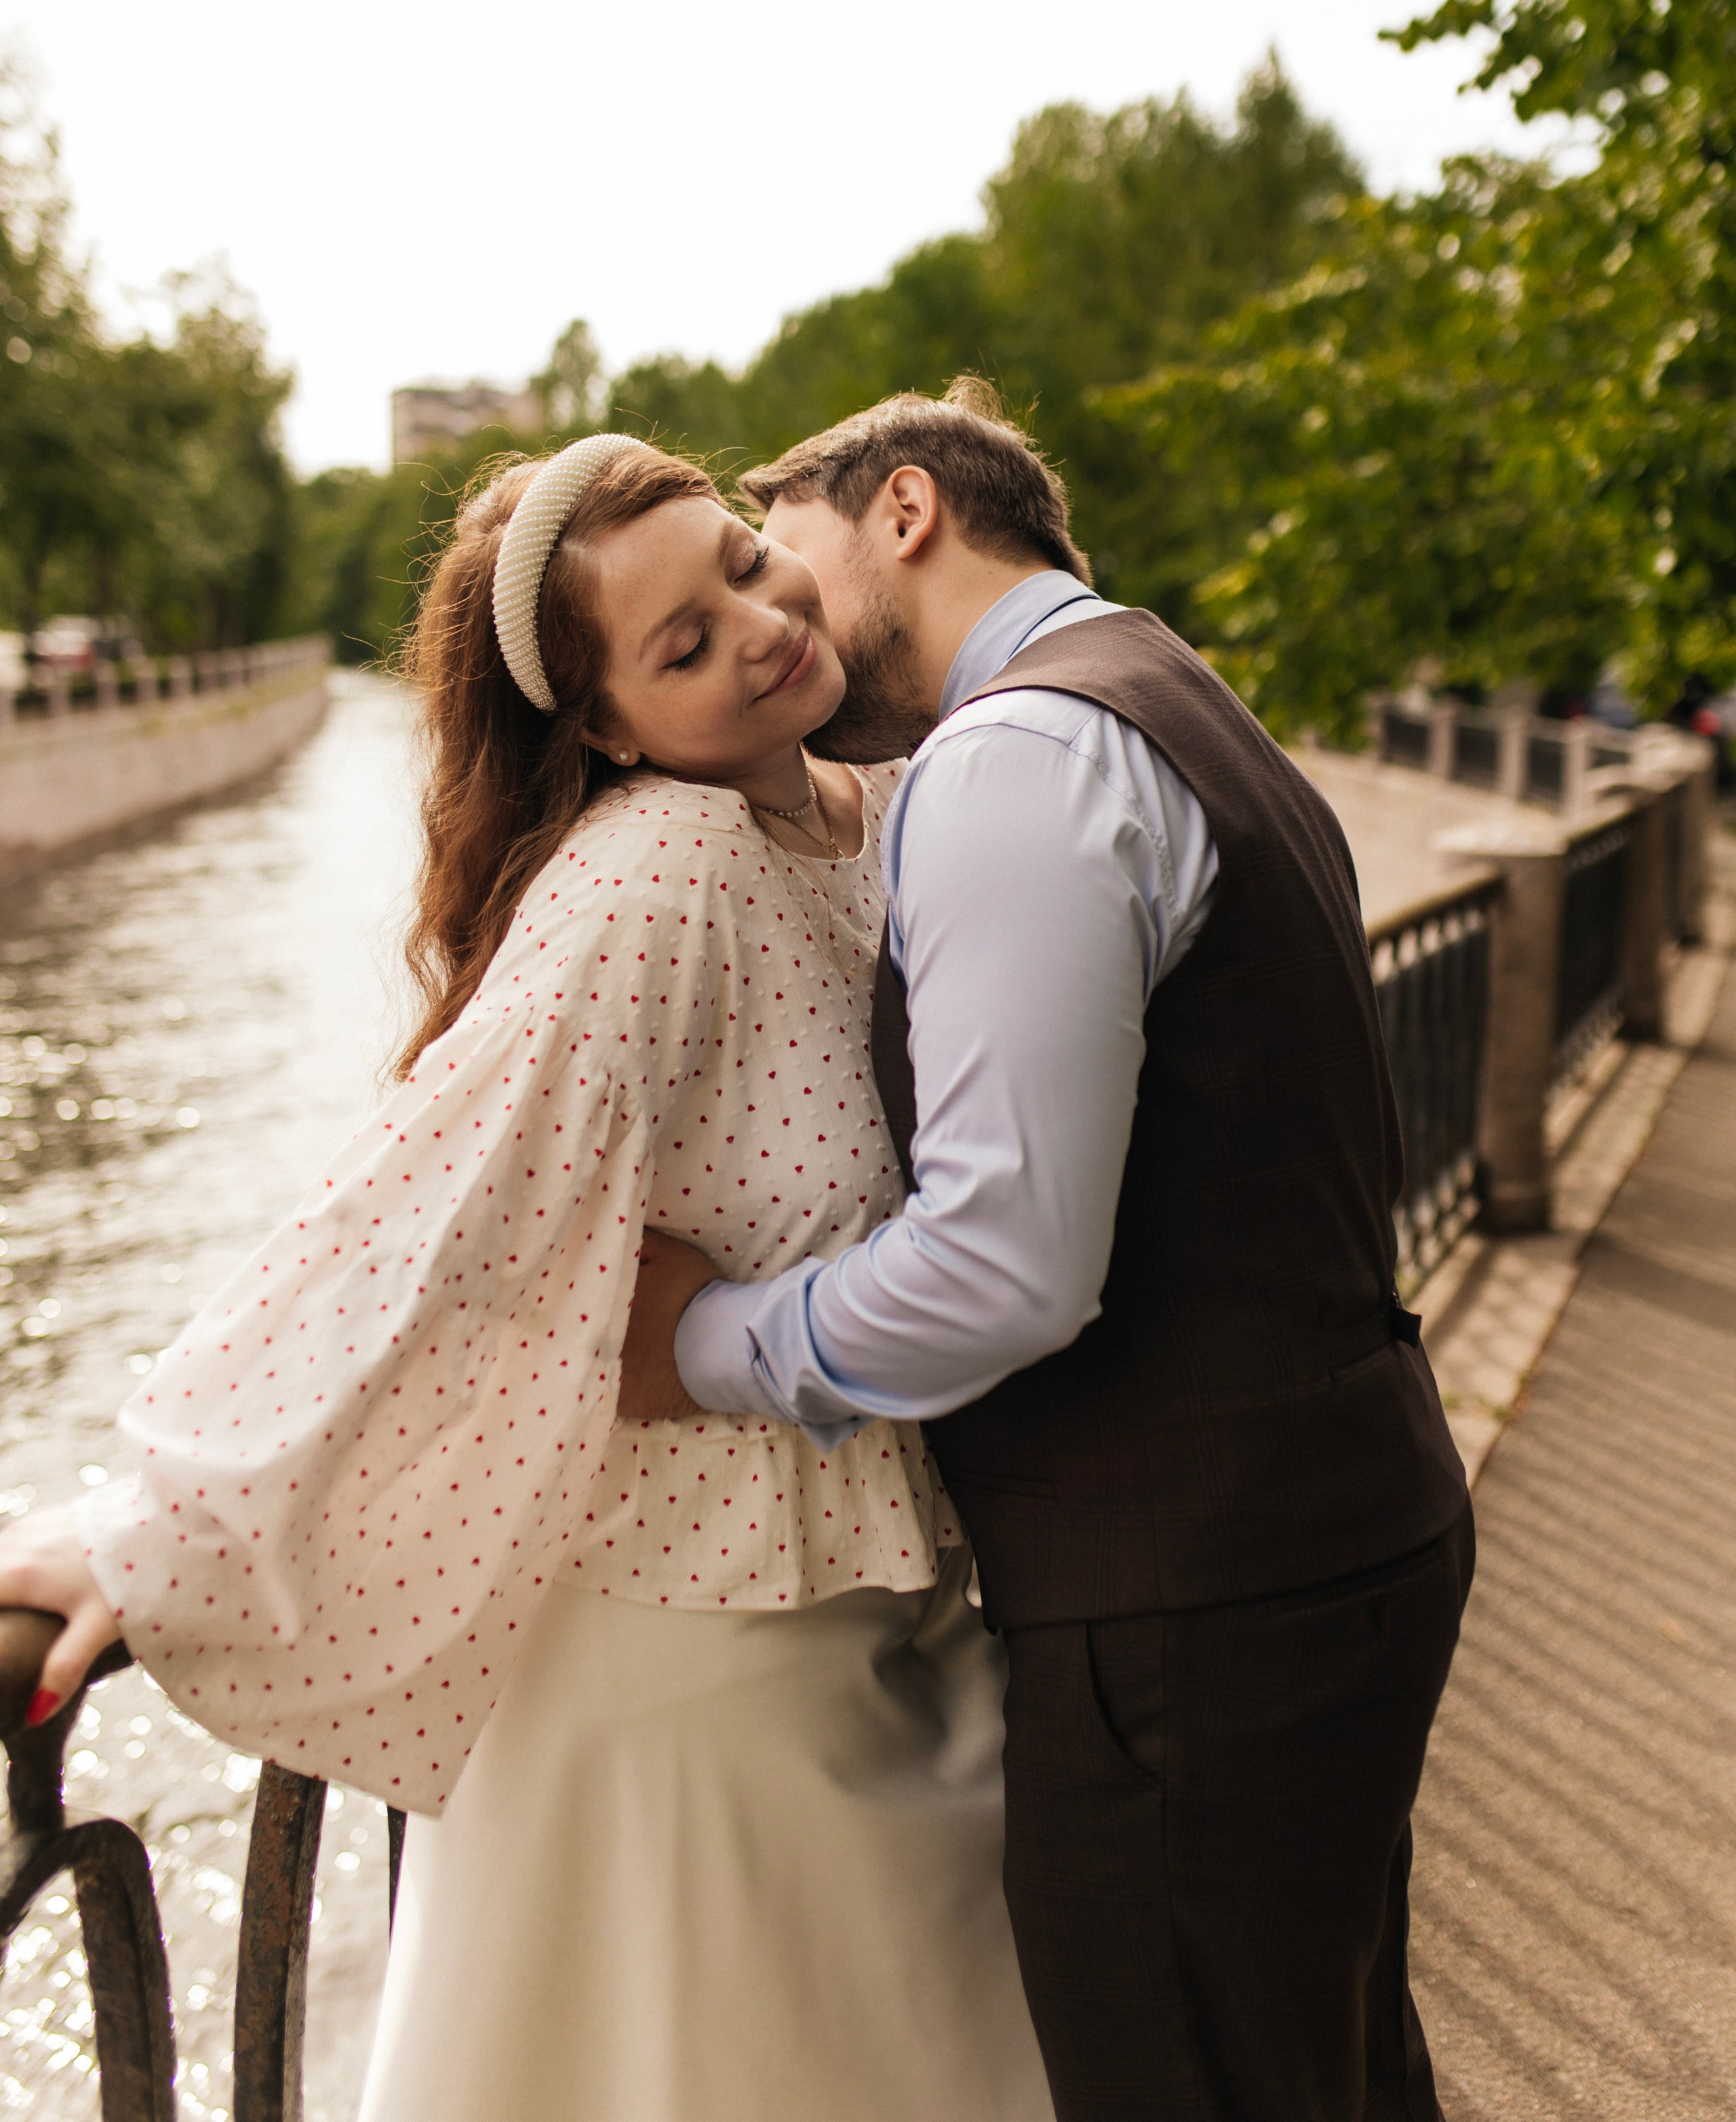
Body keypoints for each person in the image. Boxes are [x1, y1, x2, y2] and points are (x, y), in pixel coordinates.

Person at [0, 434, 1054, 2122]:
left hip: (873, 1623)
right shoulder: (656, 871)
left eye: (735, 562)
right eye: (682, 648)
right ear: (608, 732)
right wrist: (157, 1527)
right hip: (690, 1684)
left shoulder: (875, 814)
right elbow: (420, 1213)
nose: (758, 624)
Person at [624, 380, 1476, 2122]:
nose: (776, 627)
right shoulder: (1168, 696)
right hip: (1320, 1536)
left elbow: (1004, 1268)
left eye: (779, 568)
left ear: (907, 511)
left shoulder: (1012, 760)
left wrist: (702, 1343)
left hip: (1194, 1606)